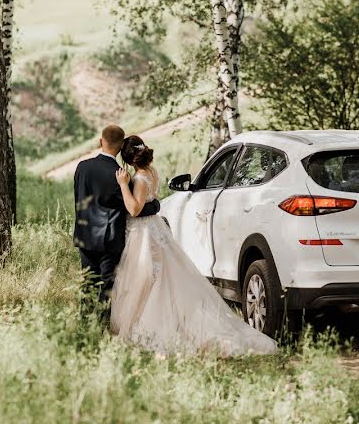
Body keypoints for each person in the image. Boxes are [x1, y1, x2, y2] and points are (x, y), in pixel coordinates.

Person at [110, 134, 277, 356]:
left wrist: (123, 185)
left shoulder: (140, 179)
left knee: (147, 279)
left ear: (129, 160)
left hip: (144, 233)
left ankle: (150, 327)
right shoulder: (152, 172)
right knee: (161, 280)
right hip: (155, 229)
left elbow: (134, 209)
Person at [73, 125, 161, 308]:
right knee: (107, 287)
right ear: (121, 146)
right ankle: (102, 326)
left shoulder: (82, 167)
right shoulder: (121, 176)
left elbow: (79, 198)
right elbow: (134, 209)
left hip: (85, 236)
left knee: (87, 284)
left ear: (100, 141)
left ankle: (85, 324)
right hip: (109, 239)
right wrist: (155, 205)